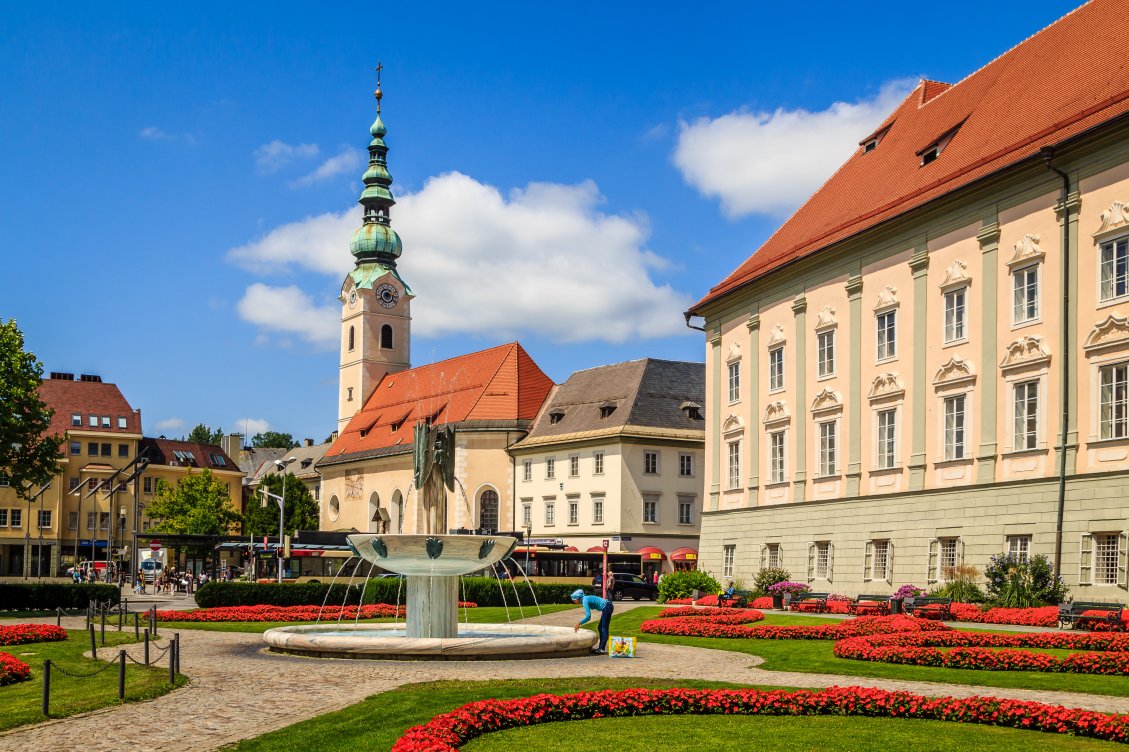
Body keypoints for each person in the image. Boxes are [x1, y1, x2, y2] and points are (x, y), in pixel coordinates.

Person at [571, 588, 613, 655]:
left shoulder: (585, 600)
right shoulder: (585, 599)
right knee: (600, 628)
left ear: (577, 598)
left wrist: (579, 623)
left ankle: (601, 649)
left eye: (574, 600)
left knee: (604, 628)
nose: (574, 602)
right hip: (607, 606)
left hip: (607, 607)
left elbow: (588, 616)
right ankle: (601, 648)